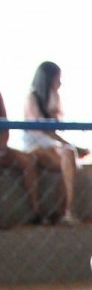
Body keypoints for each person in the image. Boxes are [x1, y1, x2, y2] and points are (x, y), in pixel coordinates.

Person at [21, 61, 88, 224]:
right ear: (48, 79)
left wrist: (71, 147)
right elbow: (45, 130)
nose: (60, 83)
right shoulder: (32, 98)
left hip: (51, 144)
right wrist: (73, 146)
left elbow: (55, 129)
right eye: (58, 78)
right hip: (34, 145)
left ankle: (67, 210)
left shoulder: (53, 98)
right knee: (69, 153)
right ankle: (41, 211)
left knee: (69, 157)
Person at [0, 90, 42, 224]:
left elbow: (5, 124)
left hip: (2, 148)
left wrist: (2, 145)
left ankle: (36, 211)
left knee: (28, 161)